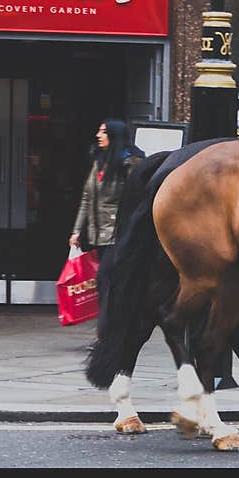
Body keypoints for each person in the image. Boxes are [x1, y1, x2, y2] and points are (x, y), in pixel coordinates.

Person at [69, 119, 145, 337]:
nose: (98, 135)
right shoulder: (99, 161)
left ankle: (107, 332)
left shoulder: (129, 163)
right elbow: (87, 197)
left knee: (105, 279)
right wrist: (77, 231)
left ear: (114, 135)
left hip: (118, 234)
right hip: (98, 233)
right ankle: (113, 328)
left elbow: (138, 198)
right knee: (108, 281)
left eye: (103, 132)